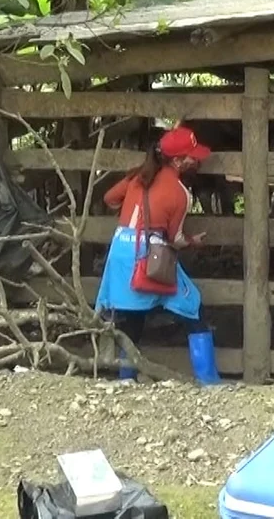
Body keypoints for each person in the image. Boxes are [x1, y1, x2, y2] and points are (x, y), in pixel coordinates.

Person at [94, 125, 218, 384]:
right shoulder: (180, 193)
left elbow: (108, 198)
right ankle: (209, 383)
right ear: (177, 160)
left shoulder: (138, 177)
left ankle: (125, 379)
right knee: (193, 308)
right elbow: (175, 239)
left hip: (120, 255)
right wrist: (193, 242)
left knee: (132, 316)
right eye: (192, 156)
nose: (197, 159)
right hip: (149, 256)